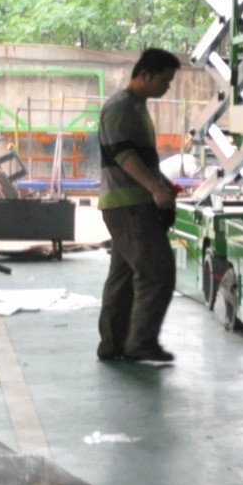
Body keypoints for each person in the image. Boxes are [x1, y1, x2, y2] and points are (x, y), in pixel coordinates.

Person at [97, 48, 183, 365]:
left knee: (123, 278)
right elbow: (123, 156)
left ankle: (113, 345)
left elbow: (142, 159)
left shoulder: (136, 107)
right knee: (157, 272)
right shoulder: (121, 108)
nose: (167, 87)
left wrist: (162, 182)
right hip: (129, 205)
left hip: (127, 203)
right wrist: (155, 188)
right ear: (144, 75)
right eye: (164, 80)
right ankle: (140, 343)